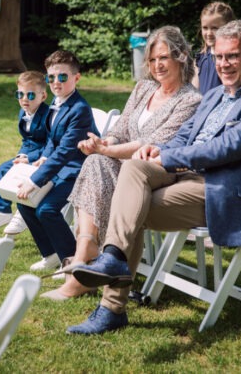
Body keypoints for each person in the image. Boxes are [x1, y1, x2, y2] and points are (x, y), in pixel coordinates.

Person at [67, 20, 241, 334]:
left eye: (233, 56)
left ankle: (111, 303)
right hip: (184, 178)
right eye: (219, 56)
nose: (224, 64)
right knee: (134, 168)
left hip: (221, 192)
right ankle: (113, 260)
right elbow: (184, 136)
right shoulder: (214, 96)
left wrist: (166, 157)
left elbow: (223, 149)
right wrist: (157, 149)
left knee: (129, 205)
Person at [41, 26, 202, 300]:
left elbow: (150, 143)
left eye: (163, 58)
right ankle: (85, 253)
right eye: (151, 60)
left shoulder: (190, 100)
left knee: (102, 161)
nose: (157, 65)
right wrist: (101, 143)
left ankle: (89, 267)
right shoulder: (143, 88)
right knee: (94, 162)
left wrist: (106, 149)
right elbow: (122, 129)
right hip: (125, 164)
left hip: (159, 170)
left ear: (182, 57)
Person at [16, 50, 99, 272]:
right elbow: (53, 138)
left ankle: (73, 262)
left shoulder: (79, 109)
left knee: (46, 210)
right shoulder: (56, 101)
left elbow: (65, 152)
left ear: (76, 78)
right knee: (24, 201)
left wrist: (35, 181)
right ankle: (51, 254)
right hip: (59, 167)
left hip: (80, 170)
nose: (56, 82)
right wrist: (43, 157)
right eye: (51, 77)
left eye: (62, 77)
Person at [0, 71, 49, 235]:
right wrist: (21, 155)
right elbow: (27, 140)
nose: (25, 99)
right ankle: (2, 211)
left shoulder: (48, 116)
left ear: (43, 96)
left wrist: (30, 158)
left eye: (31, 95)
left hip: (44, 157)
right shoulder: (23, 113)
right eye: (20, 94)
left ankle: (23, 212)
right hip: (30, 153)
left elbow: (51, 143)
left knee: (27, 173)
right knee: (4, 168)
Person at [192, 1, 235, 94]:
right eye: (205, 28)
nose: (209, 33)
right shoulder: (200, 58)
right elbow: (194, 92)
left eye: (215, 28)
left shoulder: (233, 59)